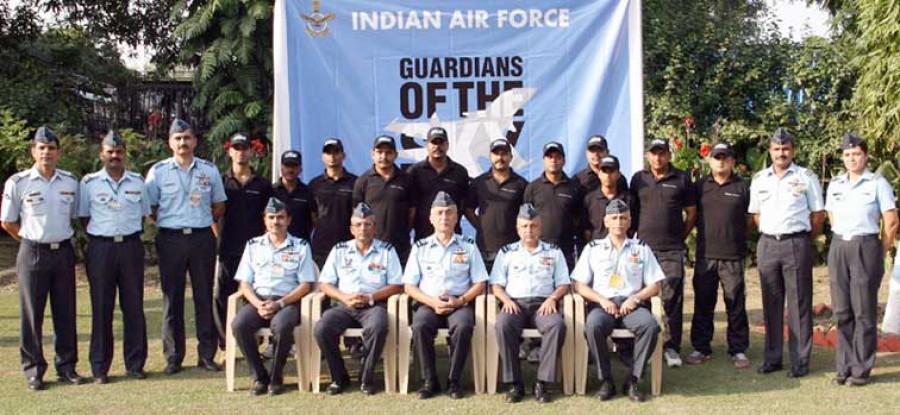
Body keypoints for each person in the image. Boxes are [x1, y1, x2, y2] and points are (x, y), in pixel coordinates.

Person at [1, 126, 84, 390]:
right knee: (31, 314)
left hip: (63, 253)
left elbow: (77, 216)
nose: (46, 152)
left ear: (58, 152)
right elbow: (7, 222)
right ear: (33, 151)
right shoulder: (18, 182)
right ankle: (33, 370)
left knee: (65, 312)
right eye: (41, 148)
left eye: (51, 148)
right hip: (33, 252)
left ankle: (67, 367)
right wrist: (29, 241)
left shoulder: (70, 182)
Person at [146, 118, 227, 375]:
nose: (183, 142)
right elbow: (150, 208)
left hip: (202, 237)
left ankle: (206, 354)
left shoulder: (209, 170)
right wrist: (172, 223)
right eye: (178, 138)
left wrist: (199, 221)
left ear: (195, 141)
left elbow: (218, 205)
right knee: (172, 298)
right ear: (170, 142)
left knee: (204, 296)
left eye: (187, 137)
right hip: (170, 239)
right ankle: (173, 356)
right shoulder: (158, 171)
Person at [748, 127, 824, 378]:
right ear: (770, 151)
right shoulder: (760, 179)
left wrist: (803, 239)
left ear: (793, 150)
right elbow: (756, 215)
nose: (781, 153)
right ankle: (773, 358)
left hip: (796, 243)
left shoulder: (806, 176)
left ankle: (800, 361)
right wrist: (772, 233)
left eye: (785, 148)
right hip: (768, 244)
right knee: (771, 302)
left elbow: (818, 215)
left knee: (798, 303)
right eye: (776, 149)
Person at [571, 199, 663, 402]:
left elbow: (655, 285)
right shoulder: (593, 248)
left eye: (623, 218)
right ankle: (606, 380)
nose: (619, 222)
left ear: (630, 221)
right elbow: (578, 284)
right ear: (606, 221)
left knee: (650, 326)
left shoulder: (641, 248)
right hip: (603, 306)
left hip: (632, 306)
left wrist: (635, 298)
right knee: (593, 326)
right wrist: (601, 300)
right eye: (614, 218)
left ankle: (633, 380)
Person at [824, 133, 898, 386]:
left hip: (865, 246)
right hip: (839, 246)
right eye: (847, 154)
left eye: (856, 154)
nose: (852, 158)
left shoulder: (878, 183)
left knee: (863, 310)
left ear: (865, 156)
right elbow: (831, 216)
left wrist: (879, 250)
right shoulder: (836, 184)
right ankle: (844, 366)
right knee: (841, 310)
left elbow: (891, 222)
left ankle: (860, 369)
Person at [77, 130, 150, 383]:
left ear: (125, 154)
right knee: (101, 307)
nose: (115, 156)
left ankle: (135, 363)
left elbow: (143, 214)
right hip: (101, 248)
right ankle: (100, 367)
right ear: (102, 155)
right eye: (110, 152)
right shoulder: (89, 183)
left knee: (134, 306)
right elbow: (84, 217)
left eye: (119, 152)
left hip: (130, 246)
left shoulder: (138, 182)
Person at [403, 191, 488, 400]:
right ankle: (429, 380)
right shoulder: (420, 247)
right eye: (439, 213)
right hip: (429, 303)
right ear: (431, 218)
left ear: (456, 217)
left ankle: (454, 380)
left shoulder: (468, 245)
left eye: (449, 212)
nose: (444, 217)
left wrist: (461, 300)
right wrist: (432, 302)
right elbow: (409, 286)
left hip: (459, 303)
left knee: (464, 326)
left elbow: (480, 282)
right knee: (420, 325)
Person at [314, 202, 403, 395]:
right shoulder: (339, 250)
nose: (363, 228)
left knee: (378, 327)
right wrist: (344, 297)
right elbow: (325, 283)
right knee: (322, 328)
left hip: (374, 305)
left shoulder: (387, 251)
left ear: (375, 228)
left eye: (368, 224)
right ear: (352, 229)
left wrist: (370, 297)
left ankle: (366, 377)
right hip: (345, 305)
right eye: (359, 225)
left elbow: (397, 285)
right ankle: (339, 377)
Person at [232, 197, 316, 396]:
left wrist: (279, 303)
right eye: (271, 217)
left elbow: (306, 284)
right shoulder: (253, 245)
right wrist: (258, 304)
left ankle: (276, 376)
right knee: (239, 325)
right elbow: (244, 283)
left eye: (280, 217)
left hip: (287, 302)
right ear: (264, 220)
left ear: (289, 220)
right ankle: (259, 376)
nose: (275, 222)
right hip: (258, 300)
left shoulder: (301, 246)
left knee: (282, 326)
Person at [490, 203, 570, 403]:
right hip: (514, 304)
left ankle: (542, 382)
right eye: (524, 226)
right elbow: (496, 285)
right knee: (503, 324)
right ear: (517, 229)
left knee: (556, 325)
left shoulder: (553, 252)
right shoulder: (506, 252)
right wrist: (506, 300)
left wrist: (552, 299)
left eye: (533, 226)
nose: (529, 230)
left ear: (540, 227)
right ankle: (514, 383)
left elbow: (563, 284)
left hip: (543, 305)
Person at [629, 138, 696, 367]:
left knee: (671, 299)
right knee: (642, 298)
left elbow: (692, 213)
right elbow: (633, 213)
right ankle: (645, 346)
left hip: (672, 250)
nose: (658, 157)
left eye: (662, 153)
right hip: (643, 250)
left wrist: (680, 237)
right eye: (654, 153)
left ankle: (671, 347)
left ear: (669, 155)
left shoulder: (682, 178)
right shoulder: (638, 179)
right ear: (647, 155)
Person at [685, 143, 751, 369]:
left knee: (735, 303)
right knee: (703, 303)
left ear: (732, 161)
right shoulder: (700, 186)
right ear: (710, 160)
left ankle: (738, 349)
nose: (721, 161)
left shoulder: (742, 187)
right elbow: (691, 214)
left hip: (733, 255)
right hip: (706, 256)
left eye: (725, 157)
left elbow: (751, 219)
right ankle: (701, 347)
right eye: (717, 157)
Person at [215, 133, 273, 351]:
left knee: (256, 297)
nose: (240, 152)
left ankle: (255, 343)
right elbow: (212, 214)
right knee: (222, 297)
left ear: (251, 151)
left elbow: (269, 218)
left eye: (244, 148)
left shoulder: (263, 185)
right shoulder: (220, 182)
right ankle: (225, 344)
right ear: (230, 151)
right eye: (236, 148)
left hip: (256, 254)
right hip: (227, 249)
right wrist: (218, 237)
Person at [464, 138, 528, 272]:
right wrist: (481, 226)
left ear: (510, 157)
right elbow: (468, 209)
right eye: (496, 154)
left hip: (513, 249)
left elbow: (527, 216)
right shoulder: (479, 183)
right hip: (485, 249)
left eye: (504, 154)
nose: (500, 158)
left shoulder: (521, 184)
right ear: (490, 156)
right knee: (485, 285)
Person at [353, 135, 415, 263]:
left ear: (396, 155)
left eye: (388, 152)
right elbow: (357, 215)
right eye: (379, 152)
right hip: (372, 247)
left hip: (400, 248)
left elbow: (412, 212)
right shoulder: (363, 181)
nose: (383, 156)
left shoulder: (407, 180)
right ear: (372, 154)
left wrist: (401, 231)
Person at [524, 142, 583, 271]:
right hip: (539, 250)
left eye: (557, 157)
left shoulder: (574, 187)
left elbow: (579, 218)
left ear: (564, 161)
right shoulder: (533, 188)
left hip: (566, 250)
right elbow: (525, 219)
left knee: (566, 283)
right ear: (543, 160)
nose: (553, 160)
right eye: (549, 157)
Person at [408, 126, 470, 239]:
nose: (437, 146)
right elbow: (411, 207)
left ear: (447, 145)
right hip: (423, 236)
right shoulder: (414, 172)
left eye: (441, 143)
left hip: (452, 236)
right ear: (427, 145)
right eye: (434, 143)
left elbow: (463, 205)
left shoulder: (460, 172)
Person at [309, 138, 357, 268]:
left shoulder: (355, 182)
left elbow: (358, 214)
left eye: (336, 152)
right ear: (322, 157)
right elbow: (312, 215)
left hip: (348, 246)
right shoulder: (315, 184)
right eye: (328, 153)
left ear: (343, 155)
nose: (332, 156)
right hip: (321, 248)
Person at [582, 155, 635, 240]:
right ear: (599, 174)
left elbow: (632, 228)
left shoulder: (628, 199)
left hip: (622, 246)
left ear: (618, 175)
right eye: (604, 171)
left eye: (611, 171)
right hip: (597, 247)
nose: (608, 175)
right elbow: (585, 230)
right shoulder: (589, 199)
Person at [273, 150, 314, 240]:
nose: (290, 170)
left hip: (301, 244)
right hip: (276, 243)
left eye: (294, 166)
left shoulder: (308, 192)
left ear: (301, 169)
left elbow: (314, 220)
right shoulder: (271, 191)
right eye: (287, 166)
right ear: (281, 168)